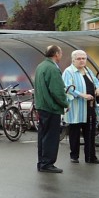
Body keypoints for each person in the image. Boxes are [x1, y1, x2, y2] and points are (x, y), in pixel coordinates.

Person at [63, 49, 99, 164]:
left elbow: (96, 82)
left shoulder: (88, 70)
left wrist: (98, 88)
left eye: (83, 58)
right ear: (73, 60)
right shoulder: (69, 71)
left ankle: (91, 157)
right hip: (76, 108)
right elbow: (68, 88)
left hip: (90, 106)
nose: (82, 61)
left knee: (90, 132)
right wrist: (82, 95)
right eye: (79, 59)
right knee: (75, 132)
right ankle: (74, 156)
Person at [34, 44, 68, 173]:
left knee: (43, 135)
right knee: (51, 136)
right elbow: (56, 90)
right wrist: (65, 103)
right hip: (51, 107)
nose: (61, 55)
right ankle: (48, 163)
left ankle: (42, 162)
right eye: (61, 53)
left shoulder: (41, 66)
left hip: (42, 106)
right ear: (56, 54)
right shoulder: (53, 69)